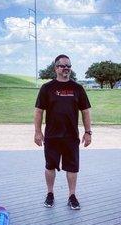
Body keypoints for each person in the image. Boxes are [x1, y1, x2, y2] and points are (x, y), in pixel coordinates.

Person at [34, 54, 92, 210]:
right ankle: (50, 193)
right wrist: (37, 132)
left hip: (71, 135)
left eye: (69, 66)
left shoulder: (77, 88)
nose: (66, 68)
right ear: (56, 68)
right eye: (63, 66)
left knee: (72, 167)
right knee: (50, 166)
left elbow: (85, 111)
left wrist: (88, 132)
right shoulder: (47, 88)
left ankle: (72, 196)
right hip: (52, 135)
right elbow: (39, 111)